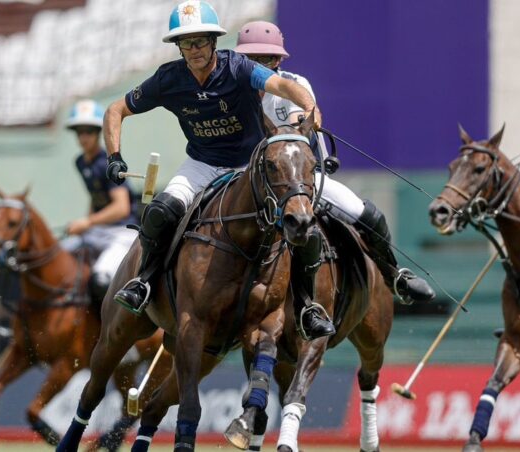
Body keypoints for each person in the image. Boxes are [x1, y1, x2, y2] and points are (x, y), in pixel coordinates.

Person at [103, 1, 339, 339]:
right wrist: (114, 156)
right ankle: (143, 281)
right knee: (160, 211)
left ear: (214, 41)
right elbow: (115, 110)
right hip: (201, 163)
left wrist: (309, 106)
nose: (195, 49)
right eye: (187, 43)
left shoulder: (240, 68)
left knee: (296, 224)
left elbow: (282, 86)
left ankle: (306, 305)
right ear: (178, 47)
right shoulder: (168, 79)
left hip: (249, 168)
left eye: (201, 41)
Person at [234, 21, 436, 339]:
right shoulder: (233, 92)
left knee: (367, 215)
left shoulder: (294, 83)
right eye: (253, 60)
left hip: (302, 180)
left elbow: (305, 118)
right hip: (251, 185)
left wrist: (302, 121)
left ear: (279, 62)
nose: (261, 67)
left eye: (267, 59)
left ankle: (394, 275)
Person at [62, 99, 138, 301]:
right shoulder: (80, 162)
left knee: (100, 280)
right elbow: (95, 198)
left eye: (89, 131)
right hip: (98, 231)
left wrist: (87, 222)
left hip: (121, 234)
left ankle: (104, 329)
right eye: (79, 131)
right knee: (55, 256)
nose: (83, 137)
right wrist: (86, 224)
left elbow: (121, 208)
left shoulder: (106, 163)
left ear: (98, 133)